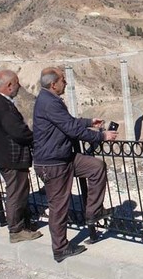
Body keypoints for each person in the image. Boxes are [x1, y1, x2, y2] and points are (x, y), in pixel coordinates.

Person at [32, 67, 118, 263]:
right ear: (53, 84)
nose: (66, 83)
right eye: (63, 80)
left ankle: (93, 212)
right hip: (53, 164)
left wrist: (88, 122)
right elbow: (71, 128)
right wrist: (102, 135)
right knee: (59, 206)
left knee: (96, 167)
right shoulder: (49, 102)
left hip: (63, 158)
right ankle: (60, 248)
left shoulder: (50, 100)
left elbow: (67, 122)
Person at [0, 70, 41, 244]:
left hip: (5, 157)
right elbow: (18, 132)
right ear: (9, 85)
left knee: (16, 191)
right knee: (16, 193)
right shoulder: (3, 105)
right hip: (12, 157)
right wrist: (35, 138)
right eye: (17, 83)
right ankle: (16, 230)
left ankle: (22, 224)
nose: (19, 87)